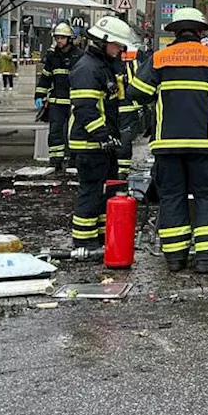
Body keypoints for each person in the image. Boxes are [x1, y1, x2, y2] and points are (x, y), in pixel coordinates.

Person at [128, 8, 208, 273]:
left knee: (172, 197)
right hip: (205, 146)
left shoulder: (159, 59)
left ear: (174, 32)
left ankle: (175, 257)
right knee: (207, 197)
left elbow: (136, 93)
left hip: (167, 146)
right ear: (201, 31)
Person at [67, 16, 137, 250]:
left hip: (100, 144)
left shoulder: (101, 66)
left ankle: (99, 237)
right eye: (116, 45)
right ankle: (84, 240)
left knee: (105, 192)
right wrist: (102, 136)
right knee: (91, 192)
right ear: (103, 41)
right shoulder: (88, 68)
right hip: (90, 144)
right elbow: (86, 109)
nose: (119, 50)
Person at [36, 24, 83, 170]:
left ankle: (74, 160)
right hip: (57, 101)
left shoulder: (80, 56)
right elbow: (45, 78)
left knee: (75, 131)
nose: (59, 40)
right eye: (57, 38)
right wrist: (39, 95)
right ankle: (55, 160)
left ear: (69, 39)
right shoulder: (52, 56)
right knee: (55, 131)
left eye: (62, 38)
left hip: (75, 101)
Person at [113, 50, 141, 179]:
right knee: (121, 140)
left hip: (125, 107)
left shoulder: (130, 62)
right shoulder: (133, 61)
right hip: (122, 108)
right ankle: (121, 172)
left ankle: (122, 172)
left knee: (123, 141)